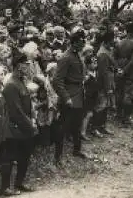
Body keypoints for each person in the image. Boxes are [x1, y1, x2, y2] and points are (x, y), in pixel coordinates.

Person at [0, 50, 38, 196]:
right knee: (8, 159)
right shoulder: (11, 85)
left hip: (23, 127)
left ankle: (19, 183)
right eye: (26, 64)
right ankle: (4, 189)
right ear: (18, 66)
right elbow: (16, 112)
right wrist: (31, 126)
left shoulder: (21, 81)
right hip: (13, 129)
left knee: (24, 157)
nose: (28, 67)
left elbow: (26, 107)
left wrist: (31, 122)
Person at [52, 26, 88, 167]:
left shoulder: (78, 54)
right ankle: (57, 157)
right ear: (73, 43)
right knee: (63, 128)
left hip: (79, 95)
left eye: (83, 40)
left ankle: (76, 150)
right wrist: (66, 97)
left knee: (77, 125)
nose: (83, 43)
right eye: (80, 41)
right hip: (70, 97)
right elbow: (57, 81)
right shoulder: (66, 57)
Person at [114, 22, 133, 125]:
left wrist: (119, 69)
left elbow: (115, 57)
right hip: (130, 72)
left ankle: (118, 114)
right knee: (128, 95)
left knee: (119, 93)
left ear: (126, 31)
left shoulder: (119, 42)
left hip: (120, 70)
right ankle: (126, 117)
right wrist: (125, 70)